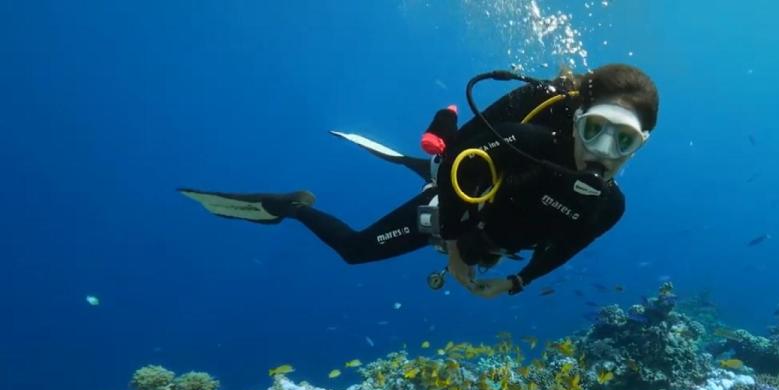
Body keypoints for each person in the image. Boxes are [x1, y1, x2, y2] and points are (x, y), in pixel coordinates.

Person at [181, 63, 659, 297]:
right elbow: (458, 174)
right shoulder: (522, 141)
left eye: (624, 141)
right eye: (594, 129)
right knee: (357, 248)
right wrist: (453, 247)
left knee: (451, 169)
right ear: (577, 119)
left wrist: (517, 281)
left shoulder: (610, 207)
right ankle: (289, 206)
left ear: (642, 144)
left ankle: (417, 159)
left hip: (490, 219)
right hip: (460, 199)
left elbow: (568, 245)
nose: (601, 151)